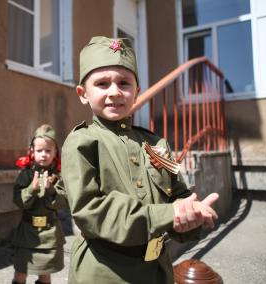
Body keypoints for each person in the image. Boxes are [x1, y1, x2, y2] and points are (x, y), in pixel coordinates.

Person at [61, 36, 220, 284]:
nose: (114, 91)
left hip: (157, 270)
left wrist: (190, 213)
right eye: (102, 83)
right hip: (105, 271)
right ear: (83, 94)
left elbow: (177, 194)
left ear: (137, 92)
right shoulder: (81, 142)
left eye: (124, 83)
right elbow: (89, 211)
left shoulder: (157, 144)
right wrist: (168, 215)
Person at [12, 124, 68, 284]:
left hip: (50, 236)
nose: (44, 155)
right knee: (20, 274)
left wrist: (51, 191)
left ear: (55, 152)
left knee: (45, 276)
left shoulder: (58, 176)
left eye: (48, 150)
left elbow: (62, 203)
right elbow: (19, 201)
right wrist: (31, 189)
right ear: (32, 151)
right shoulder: (26, 175)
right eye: (39, 150)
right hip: (27, 234)